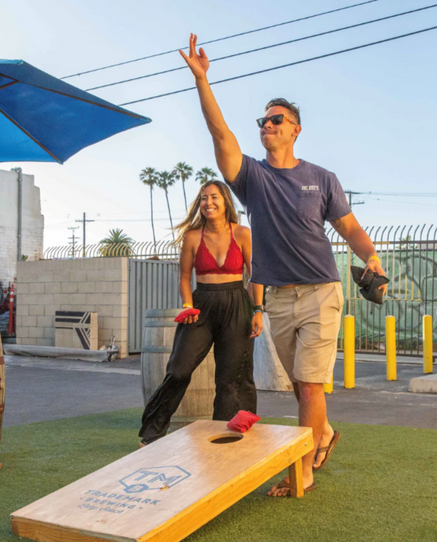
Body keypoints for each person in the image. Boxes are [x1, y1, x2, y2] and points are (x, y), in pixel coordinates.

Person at [180, 34, 386, 496]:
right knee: (300, 386)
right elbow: (220, 136)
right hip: (278, 297)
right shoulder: (253, 178)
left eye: (277, 119)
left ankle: (303, 470)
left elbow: (350, 228)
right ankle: (325, 434)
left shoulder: (321, 178)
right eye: (264, 120)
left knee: (311, 387)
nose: (267, 125)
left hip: (320, 292)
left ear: (295, 129)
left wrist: (370, 256)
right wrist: (202, 81)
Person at [139, 180, 263, 446]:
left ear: (225, 201)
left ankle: (226, 435)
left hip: (236, 304)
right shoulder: (193, 236)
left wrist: (258, 309)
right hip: (201, 306)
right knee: (179, 369)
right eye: (204, 198)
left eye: (214, 197)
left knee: (231, 377)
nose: (209, 202)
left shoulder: (242, 234)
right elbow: (185, 278)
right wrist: (187, 305)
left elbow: (256, 276)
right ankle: (152, 432)